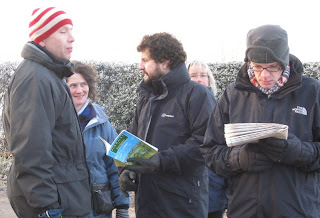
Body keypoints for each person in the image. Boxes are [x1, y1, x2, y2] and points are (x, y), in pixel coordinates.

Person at [200, 24, 320, 217]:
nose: (264, 75)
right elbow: (210, 152)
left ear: (284, 62)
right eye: (257, 67)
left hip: (298, 210)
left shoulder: (312, 92)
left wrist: (296, 151)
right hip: (244, 210)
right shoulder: (232, 95)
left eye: (272, 67)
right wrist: (238, 159)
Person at [2, 7, 91, 218]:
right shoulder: (35, 78)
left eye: (71, 30)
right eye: (62, 32)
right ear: (41, 39)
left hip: (64, 195)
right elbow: (31, 150)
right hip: (53, 203)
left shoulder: (50, 75)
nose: (72, 38)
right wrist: (47, 208)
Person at [118, 32, 215, 217]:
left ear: (165, 62)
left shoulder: (198, 95)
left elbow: (204, 145)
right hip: (147, 203)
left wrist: (160, 161)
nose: (140, 66)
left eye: (145, 60)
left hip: (182, 205)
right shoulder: (147, 97)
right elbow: (133, 138)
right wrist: (125, 170)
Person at [66, 61, 130, 218]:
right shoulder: (55, 122)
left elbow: (116, 165)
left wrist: (122, 205)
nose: (79, 90)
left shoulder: (102, 123)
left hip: (98, 209)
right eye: (73, 85)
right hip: (66, 207)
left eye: (83, 84)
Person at [187, 60, 227, 218]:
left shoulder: (222, 108)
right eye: (193, 75)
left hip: (214, 190)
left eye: (203, 75)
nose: (199, 79)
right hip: (187, 191)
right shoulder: (180, 108)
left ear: (210, 79)